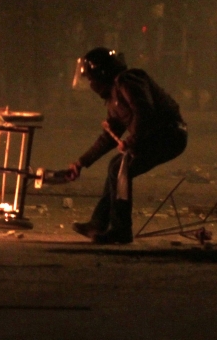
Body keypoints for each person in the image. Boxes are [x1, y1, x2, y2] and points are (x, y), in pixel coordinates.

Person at [67, 47, 188, 244]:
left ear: (102, 74)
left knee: (119, 168)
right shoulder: (114, 96)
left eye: (91, 79)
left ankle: (121, 230)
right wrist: (81, 163)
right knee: (116, 167)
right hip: (158, 136)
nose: (90, 84)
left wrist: (131, 142)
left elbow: (144, 113)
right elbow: (107, 137)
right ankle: (98, 223)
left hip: (170, 135)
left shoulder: (128, 81)